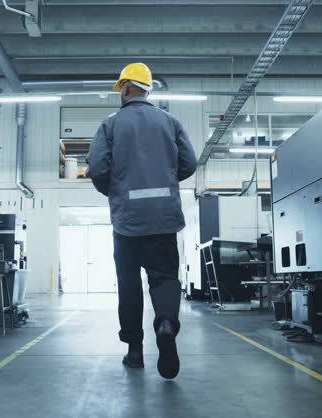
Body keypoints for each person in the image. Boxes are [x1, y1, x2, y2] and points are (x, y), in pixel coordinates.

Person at [87, 63, 198, 379]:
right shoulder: (170, 122)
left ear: (124, 88)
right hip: (163, 217)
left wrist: (116, 192)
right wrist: (166, 180)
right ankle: (166, 324)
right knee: (164, 277)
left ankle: (135, 351)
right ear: (147, 89)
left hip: (127, 220)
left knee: (129, 284)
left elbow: (97, 169)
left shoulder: (110, 125)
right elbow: (189, 163)